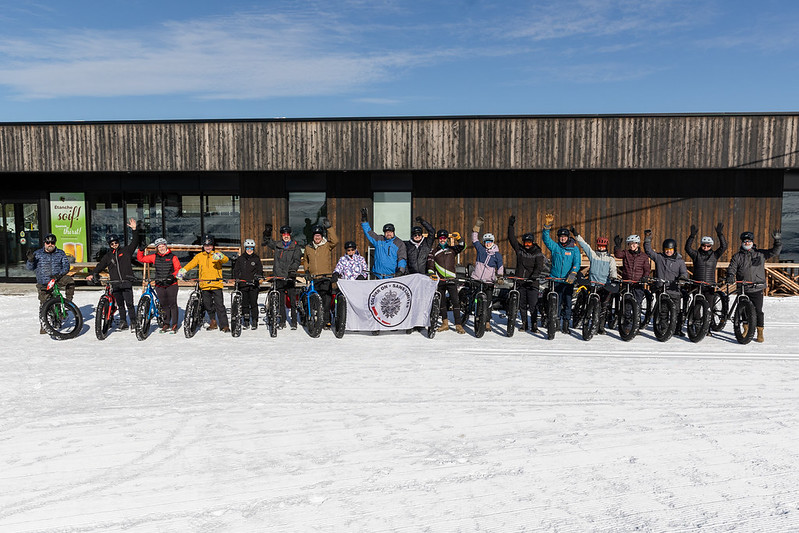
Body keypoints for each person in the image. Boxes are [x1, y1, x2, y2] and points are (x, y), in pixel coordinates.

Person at [726, 229, 782, 343]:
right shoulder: (738, 256)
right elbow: (732, 267)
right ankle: (746, 329)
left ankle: (760, 332)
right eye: (745, 241)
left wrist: (777, 241)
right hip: (743, 287)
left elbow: (775, 252)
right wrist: (731, 275)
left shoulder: (760, 254)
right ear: (742, 242)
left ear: (752, 242)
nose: (747, 243)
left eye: (749, 241)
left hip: (757, 287)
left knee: (758, 311)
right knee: (743, 311)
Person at [86, 218, 139, 331]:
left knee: (129, 304)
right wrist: (93, 273)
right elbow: (100, 266)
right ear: (109, 245)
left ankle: (133, 322)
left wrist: (134, 229)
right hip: (115, 283)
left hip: (126, 281)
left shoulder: (126, 251)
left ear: (118, 243)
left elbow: (135, 242)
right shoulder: (108, 256)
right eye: (112, 243)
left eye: (116, 242)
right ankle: (123, 322)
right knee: (120, 305)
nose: (114, 244)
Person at [179, 234, 230, 333]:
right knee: (208, 305)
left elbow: (226, 260)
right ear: (203, 246)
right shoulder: (199, 256)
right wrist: (183, 270)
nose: (208, 247)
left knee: (220, 305)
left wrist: (221, 256)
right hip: (204, 285)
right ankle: (213, 322)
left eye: (210, 245)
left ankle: (225, 325)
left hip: (216, 284)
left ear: (213, 246)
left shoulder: (216, 254)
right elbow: (191, 264)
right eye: (206, 245)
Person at [571, 227, 617, 334]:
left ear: (606, 247)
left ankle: (601, 327)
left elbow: (613, 270)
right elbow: (585, 245)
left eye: (603, 246)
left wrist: (613, 279)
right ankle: (584, 319)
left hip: (604, 285)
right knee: (588, 303)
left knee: (604, 307)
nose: (601, 248)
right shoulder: (593, 255)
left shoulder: (610, 259)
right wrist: (576, 235)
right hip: (592, 284)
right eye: (599, 246)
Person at [26, 232, 75, 334]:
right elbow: (29, 268)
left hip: (57, 279)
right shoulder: (38, 254)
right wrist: (30, 260)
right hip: (44, 283)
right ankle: (44, 325)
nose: (50, 244)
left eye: (52, 242)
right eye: (48, 242)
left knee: (70, 281)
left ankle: (68, 303)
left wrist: (59, 275)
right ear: (44, 243)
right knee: (44, 303)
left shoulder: (60, 253)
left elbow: (66, 266)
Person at [644, 230, 689, 336]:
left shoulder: (679, 261)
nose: (668, 251)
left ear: (674, 250)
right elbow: (649, 251)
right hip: (662, 289)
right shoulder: (659, 258)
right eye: (666, 249)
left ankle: (677, 329)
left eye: (670, 250)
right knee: (663, 311)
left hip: (674, 289)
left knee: (676, 311)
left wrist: (682, 278)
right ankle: (664, 328)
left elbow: (684, 272)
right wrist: (647, 239)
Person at [542, 214, 582, 334]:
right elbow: (546, 239)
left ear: (568, 238)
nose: (562, 238)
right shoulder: (555, 247)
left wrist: (573, 273)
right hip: (555, 280)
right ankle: (556, 323)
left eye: (564, 237)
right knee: (556, 303)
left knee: (568, 303)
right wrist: (547, 226)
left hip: (568, 281)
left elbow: (577, 262)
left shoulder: (574, 249)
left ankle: (566, 324)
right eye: (560, 237)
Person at [507, 215, 545, 332]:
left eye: (529, 243)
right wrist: (510, 226)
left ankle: (534, 325)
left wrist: (534, 275)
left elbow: (539, 266)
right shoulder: (520, 250)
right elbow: (512, 239)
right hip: (521, 281)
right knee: (522, 305)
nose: (527, 245)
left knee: (533, 305)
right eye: (525, 243)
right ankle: (524, 324)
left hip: (532, 282)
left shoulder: (537, 252)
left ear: (532, 242)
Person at [136, 237, 181, 333]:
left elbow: (178, 269)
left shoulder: (173, 257)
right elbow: (141, 258)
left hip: (171, 284)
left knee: (172, 304)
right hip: (160, 284)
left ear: (166, 246)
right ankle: (166, 323)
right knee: (164, 304)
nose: (161, 248)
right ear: (157, 248)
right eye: (159, 247)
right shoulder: (154, 257)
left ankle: (174, 324)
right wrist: (140, 250)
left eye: (162, 246)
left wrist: (172, 276)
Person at [264, 224, 303, 329]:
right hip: (279, 276)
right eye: (284, 234)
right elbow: (267, 241)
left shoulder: (295, 246)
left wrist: (292, 270)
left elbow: (297, 260)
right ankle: (282, 321)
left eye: (287, 234)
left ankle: (294, 321)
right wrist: (267, 233)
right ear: (282, 235)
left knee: (292, 300)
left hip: (290, 276)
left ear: (290, 235)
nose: (286, 236)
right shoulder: (278, 245)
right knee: (281, 301)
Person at [428, 229, 466, 334]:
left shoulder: (452, 250)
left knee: (455, 301)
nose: (442, 240)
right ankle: (445, 323)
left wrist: (459, 238)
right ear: (438, 240)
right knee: (442, 302)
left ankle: (458, 325)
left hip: (451, 280)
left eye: (444, 238)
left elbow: (462, 246)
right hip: (440, 280)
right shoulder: (434, 252)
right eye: (440, 238)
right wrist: (431, 274)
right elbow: (430, 265)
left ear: (447, 240)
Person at [470, 216, 504, 332]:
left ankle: (488, 322)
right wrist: (477, 227)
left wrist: (499, 277)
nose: (488, 244)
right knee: (475, 299)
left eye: (489, 242)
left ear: (493, 242)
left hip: (488, 281)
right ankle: (475, 315)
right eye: (486, 242)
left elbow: (500, 266)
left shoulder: (497, 254)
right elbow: (474, 239)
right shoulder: (480, 249)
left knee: (488, 303)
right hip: (477, 279)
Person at [301, 218, 337, 327]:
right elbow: (306, 260)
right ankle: (313, 319)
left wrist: (329, 228)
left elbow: (335, 241)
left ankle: (326, 321)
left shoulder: (327, 245)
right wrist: (306, 270)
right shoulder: (308, 247)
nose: (317, 237)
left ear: (322, 236)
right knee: (314, 300)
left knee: (326, 300)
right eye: (315, 235)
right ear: (313, 236)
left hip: (325, 277)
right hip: (314, 278)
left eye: (319, 235)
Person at [360, 207, 407, 278]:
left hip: (392, 276)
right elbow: (368, 232)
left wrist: (401, 270)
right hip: (378, 275)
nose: (388, 234)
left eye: (390, 232)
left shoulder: (399, 243)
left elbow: (402, 258)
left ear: (393, 232)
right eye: (386, 232)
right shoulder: (378, 240)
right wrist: (364, 220)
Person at [232, 238, 264, 330]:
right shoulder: (241, 258)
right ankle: (246, 319)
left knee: (253, 303)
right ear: (245, 248)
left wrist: (257, 276)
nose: (249, 250)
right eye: (247, 248)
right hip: (243, 284)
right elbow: (236, 270)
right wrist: (237, 278)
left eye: (251, 248)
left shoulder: (256, 258)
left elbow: (260, 270)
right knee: (245, 303)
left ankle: (254, 320)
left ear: (253, 248)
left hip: (253, 285)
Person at [613, 232, 651, 310]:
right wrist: (617, 246)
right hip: (627, 283)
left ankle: (637, 320)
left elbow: (647, 268)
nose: (632, 246)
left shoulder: (644, 256)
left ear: (638, 244)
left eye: (634, 244)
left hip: (638, 283)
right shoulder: (626, 253)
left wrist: (645, 277)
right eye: (630, 244)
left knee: (637, 303)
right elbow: (618, 254)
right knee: (627, 304)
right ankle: (627, 320)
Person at [685, 222, 727, 287]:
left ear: (711, 246)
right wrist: (692, 236)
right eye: (703, 245)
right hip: (697, 285)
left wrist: (720, 234)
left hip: (709, 286)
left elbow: (723, 247)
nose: (705, 247)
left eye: (708, 246)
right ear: (701, 245)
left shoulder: (715, 255)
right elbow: (687, 248)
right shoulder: (696, 255)